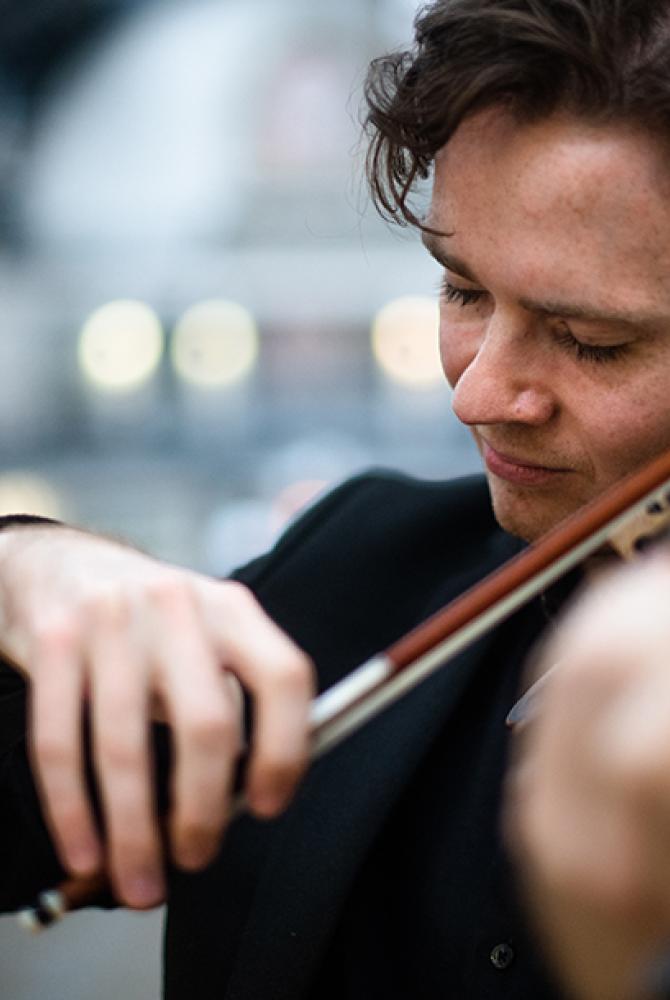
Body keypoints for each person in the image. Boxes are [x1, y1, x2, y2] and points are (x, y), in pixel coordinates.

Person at [2, 0, 670, 996]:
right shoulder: (361, 566)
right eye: (461, 290)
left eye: (590, 341)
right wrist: (23, 565)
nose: (476, 392)